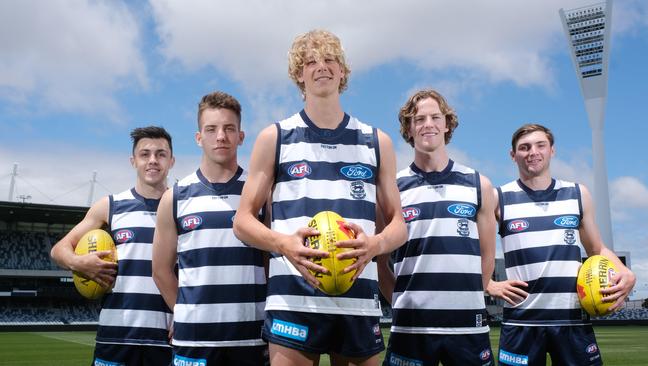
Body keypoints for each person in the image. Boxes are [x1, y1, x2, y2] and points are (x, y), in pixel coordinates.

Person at [233, 29, 407, 366]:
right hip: (293, 300)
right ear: (299, 75)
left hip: (358, 298)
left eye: (329, 59)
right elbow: (241, 221)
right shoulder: (275, 137)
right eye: (310, 62)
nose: (321, 67)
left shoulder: (376, 141)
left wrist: (374, 245)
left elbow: (399, 225)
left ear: (343, 71)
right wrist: (283, 244)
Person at [486, 123, 636, 366]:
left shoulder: (577, 194)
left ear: (552, 151)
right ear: (513, 156)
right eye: (524, 147)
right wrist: (488, 283)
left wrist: (625, 271)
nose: (532, 152)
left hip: (572, 322)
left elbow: (597, 249)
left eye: (540, 145)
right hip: (522, 322)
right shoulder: (498, 198)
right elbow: (474, 248)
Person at [376, 89, 496, 366]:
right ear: (409, 128)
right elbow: (381, 265)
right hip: (411, 329)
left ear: (447, 124)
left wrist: (466, 302)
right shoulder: (392, 187)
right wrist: (402, 304)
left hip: (468, 328)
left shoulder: (480, 185)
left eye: (435, 117)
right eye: (418, 119)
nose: (427, 124)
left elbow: (487, 257)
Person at [152, 91, 268, 366]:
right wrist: (183, 313)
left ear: (241, 136)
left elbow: (270, 264)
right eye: (211, 129)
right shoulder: (175, 197)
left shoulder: (261, 192)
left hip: (250, 338)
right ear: (198, 137)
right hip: (194, 339)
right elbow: (160, 270)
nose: (221, 137)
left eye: (229, 128)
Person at [50, 126, 175, 365]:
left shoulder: (182, 206)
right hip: (115, 338)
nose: (153, 161)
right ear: (133, 161)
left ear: (171, 161)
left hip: (166, 338)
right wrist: (79, 262)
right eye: (144, 154)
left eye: (161, 154)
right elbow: (59, 249)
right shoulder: (110, 206)